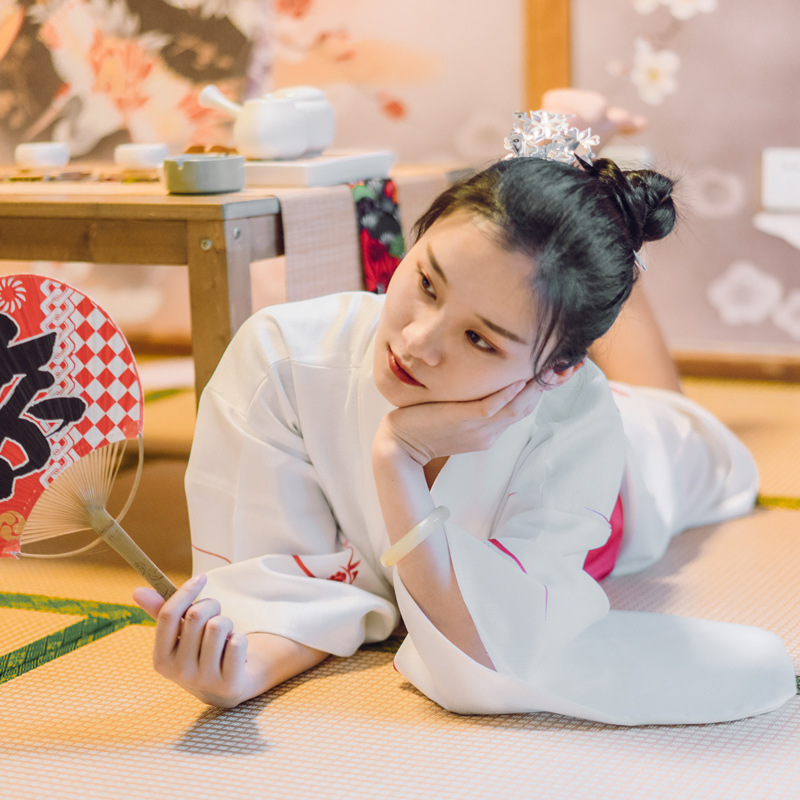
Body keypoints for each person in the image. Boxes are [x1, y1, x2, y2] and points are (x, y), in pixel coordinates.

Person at [133, 109, 796, 726]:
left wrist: (396, 459)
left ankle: (593, 201)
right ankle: (576, 191)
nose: (417, 342)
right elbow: (284, 583)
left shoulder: (578, 419)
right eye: (426, 283)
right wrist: (239, 669)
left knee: (675, 417)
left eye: (480, 339)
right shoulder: (281, 355)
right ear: (419, 237)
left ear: (557, 372)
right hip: (549, 378)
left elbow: (483, 651)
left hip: (634, 471)